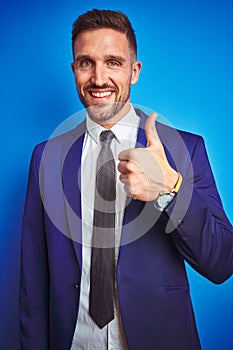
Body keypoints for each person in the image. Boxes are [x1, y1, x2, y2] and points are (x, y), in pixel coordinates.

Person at [19, 8, 233, 350]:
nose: (99, 78)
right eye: (86, 63)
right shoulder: (45, 157)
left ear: (134, 71)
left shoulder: (185, 150)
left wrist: (170, 189)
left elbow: (222, 263)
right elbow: (32, 274)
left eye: (113, 62)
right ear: (74, 70)